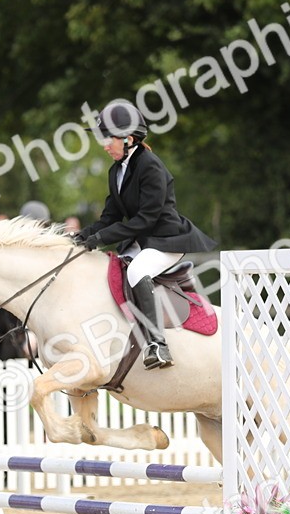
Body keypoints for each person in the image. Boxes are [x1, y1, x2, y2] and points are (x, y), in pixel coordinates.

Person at [72, 99, 218, 370]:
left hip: (166, 240)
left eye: (109, 140)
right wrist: (83, 236)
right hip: (143, 240)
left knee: (137, 271)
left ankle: (157, 344)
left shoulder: (149, 166)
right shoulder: (116, 170)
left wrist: (102, 239)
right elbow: (110, 217)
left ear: (128, 138)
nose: (105, 146)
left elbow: (145, 219)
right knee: (109, 269)